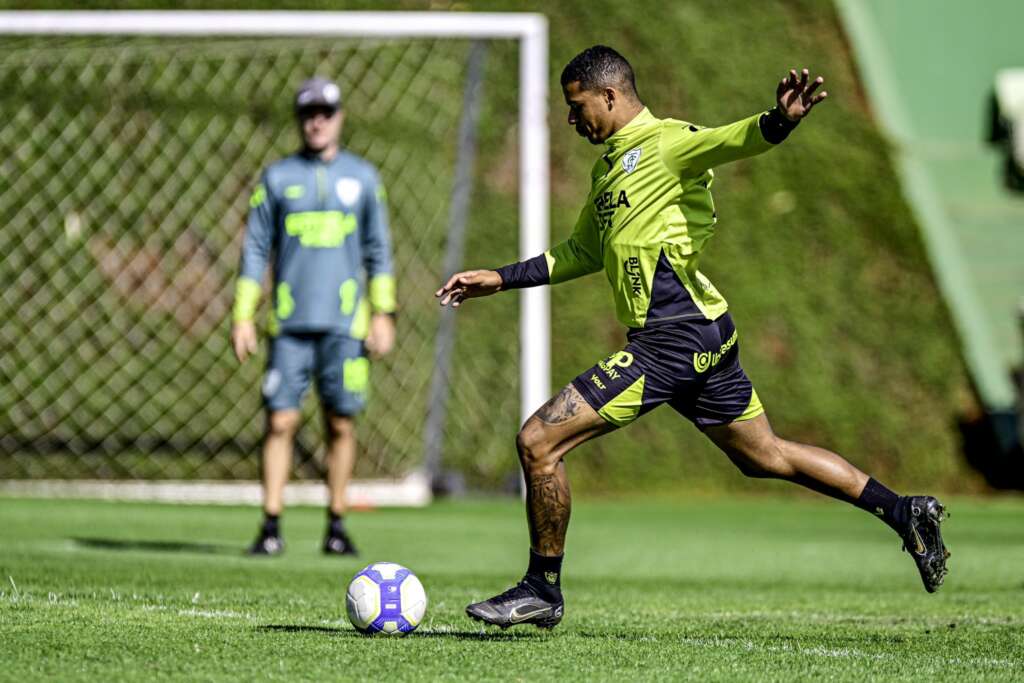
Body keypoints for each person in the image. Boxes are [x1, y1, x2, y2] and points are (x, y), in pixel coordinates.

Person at [436, 46, 949, 629]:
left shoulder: (668, 141)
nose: (573, 121)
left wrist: (778, 120)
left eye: (578, 107)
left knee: (538, 443)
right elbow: (582, 250)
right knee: (767, 456)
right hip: (701, 333)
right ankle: (903, 511)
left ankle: (541, 589)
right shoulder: (609, 169)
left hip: (671, 339)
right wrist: (500, 278)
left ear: (610, 95)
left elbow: (736, 139)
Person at [231, 76, 396, 556]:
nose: (317, 121)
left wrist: (384, 313)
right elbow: (255, 250)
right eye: (308, 114)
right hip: (289, 326)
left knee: (341, 423)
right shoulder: (277, 178)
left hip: (346, 325)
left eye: (325, 112)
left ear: (340, 116)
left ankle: (338, 523)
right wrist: (243, 315)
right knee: (280, 421)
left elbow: (379, 250)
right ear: (300, 121)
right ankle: (270, 525)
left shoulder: (363, 178)